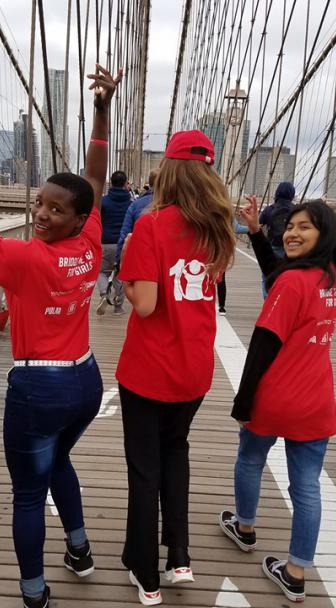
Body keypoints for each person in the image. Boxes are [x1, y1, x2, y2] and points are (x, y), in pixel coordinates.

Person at [0, 64, 122, 608]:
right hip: (86, 381)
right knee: (59, 461)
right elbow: (93, 178)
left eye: (53, 209)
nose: (40, 213)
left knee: (26, 494)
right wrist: (103, 111)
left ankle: (34, 592)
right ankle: (81, 550)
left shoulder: (24, 260)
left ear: (76, 217)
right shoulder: (90, 239)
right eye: (39, 203)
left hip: (38, 390)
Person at [116, 130, 235, 605]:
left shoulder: (150, 225)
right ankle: (178, 557)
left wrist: (128, 273)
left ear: (167, 170)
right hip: (194, 370)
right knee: (175, 454)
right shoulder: (218, 231)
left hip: (149, 369)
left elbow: (144, 304)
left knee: (144, 468)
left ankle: (146, 576)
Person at [218, 200, 336, 603]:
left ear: (324, 234)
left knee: (250, 459)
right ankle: (296, 571)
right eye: (290, 226)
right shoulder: (331, 277)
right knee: (307, 486)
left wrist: (243, 402)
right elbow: (282, 278)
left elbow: (263, 344)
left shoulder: (291, 283)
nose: (292, 233)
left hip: (276, 396)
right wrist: (258, 234)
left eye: (304, 228)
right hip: (316, 399)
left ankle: (244, 528)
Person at [98, 170, 132, 314]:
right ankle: (118, 307)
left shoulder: (103, 201)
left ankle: (104, 293)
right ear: (125, 184)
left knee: (101, 272)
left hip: (105, 242)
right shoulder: (132, 204)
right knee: (121, 275)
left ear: (111, 183)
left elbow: (97, 221)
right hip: (124, 244)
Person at [257, 181, 295, 297]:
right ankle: (284, 300)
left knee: (267, 275)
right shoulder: (297, 210)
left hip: (272, 246)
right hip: (291, 247)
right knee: (289, 275)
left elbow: (258, 224)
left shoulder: (269, 209)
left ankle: (268, 301)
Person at [115, 169, 158, 265]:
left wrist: (118, 260)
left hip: (140, 256)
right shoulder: (175, 205)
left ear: (149, 185)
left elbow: (125, 233)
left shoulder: (136, 204)